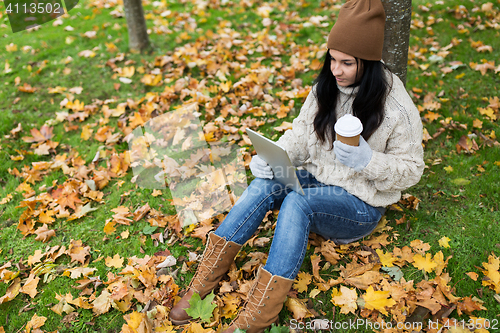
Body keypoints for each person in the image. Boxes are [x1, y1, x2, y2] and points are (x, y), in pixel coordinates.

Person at [168, 0, 424, 331]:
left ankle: (260, 314)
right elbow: (301, 136)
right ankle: (203, 283)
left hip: (359, 204)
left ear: (370, 63)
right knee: (263, 184)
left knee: (297, 201)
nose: (336, 70)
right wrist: (273, 157)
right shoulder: (327, 87)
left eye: (347, 63)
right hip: (317, 179)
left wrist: (368, 160)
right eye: (332, 59)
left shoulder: (396, 107)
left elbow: (412, 169)